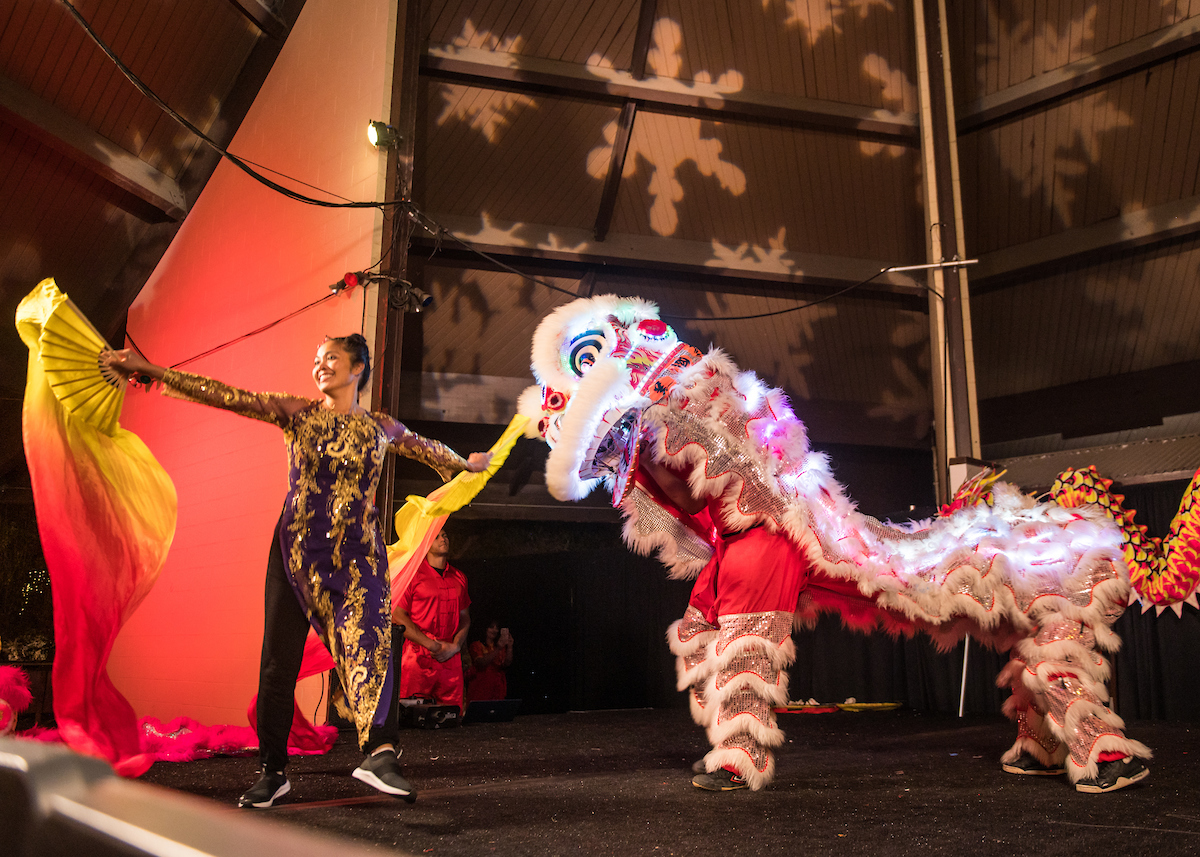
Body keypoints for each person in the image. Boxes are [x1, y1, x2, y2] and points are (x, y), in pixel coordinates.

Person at [101, 335, 492, 808]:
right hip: (297, 552)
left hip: (358, 555)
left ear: (358, 369)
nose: (320, 365)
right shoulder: (297, 412)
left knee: (372, 640)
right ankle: (272, 772)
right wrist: (152, 370)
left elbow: (428, 449)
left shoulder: (380, 427)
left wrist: (465, 463)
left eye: (331, 358)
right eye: (316, 359)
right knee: (277, 663)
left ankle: (380, 754)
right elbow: (225, 394)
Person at [393, 530, 472, 712]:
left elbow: (465, 617)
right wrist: (432, 645)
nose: (443, 538)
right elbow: (398, 615)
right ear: (426, 543)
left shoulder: (459, 577)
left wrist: (456, 645)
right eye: (436, 536)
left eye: (445, 535)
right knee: (411, 714)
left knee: (451, 716)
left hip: (450, 657)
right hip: (418, 656)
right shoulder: (412, 574)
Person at [467, 619, 514, 702]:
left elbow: (506, 663)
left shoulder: (499, 646)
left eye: (496, 628)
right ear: (485, 628)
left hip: (497, 687)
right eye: (491, 627)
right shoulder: (476, 645)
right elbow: (481, 663)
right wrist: (498, 648)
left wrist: (510, 646)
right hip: (481, 686)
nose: (495, 630)